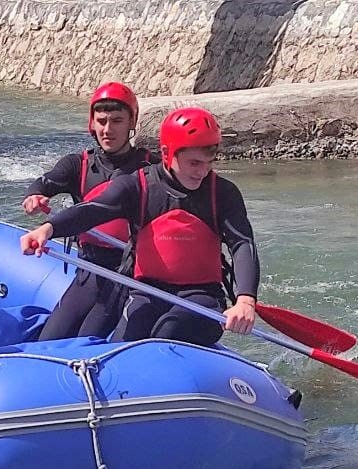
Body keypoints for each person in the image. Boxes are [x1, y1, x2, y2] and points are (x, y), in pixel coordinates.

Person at [20, 107, 259, 347]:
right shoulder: (139, 185)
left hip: (202, 297)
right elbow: (93, 209)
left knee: (167, 331)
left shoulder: (223, 193)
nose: (203, 171)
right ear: (167, 153)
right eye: (194, 163)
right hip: (145, 292)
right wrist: (48, 229)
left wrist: (245, 300)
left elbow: (242, 243)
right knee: (122, 345)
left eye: (209, 162)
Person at [20, 82, 156, 340]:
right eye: (101, 120)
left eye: (117, 120)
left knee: (87, 339)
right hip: (89, 267)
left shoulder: (151, 168)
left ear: (131, 122)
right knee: (49, 340)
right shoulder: (77, 164)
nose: (108, 129)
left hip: (127, 272)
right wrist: (33, 197)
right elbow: (44, 183)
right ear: (91, 123)